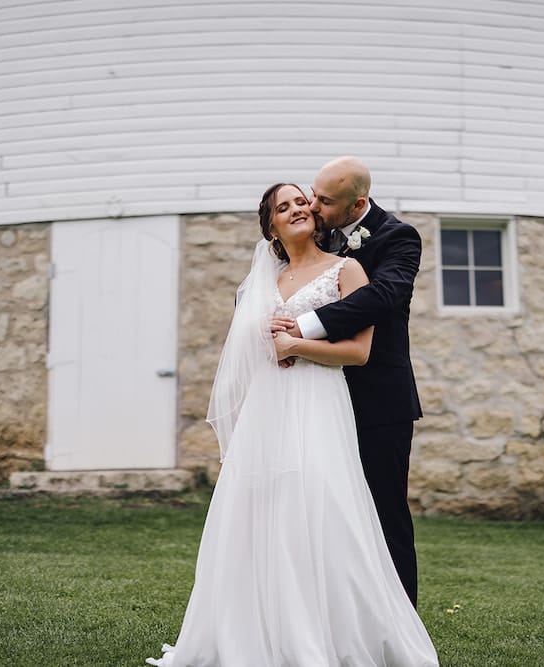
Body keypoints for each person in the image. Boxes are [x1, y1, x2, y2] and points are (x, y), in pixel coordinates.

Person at [147, 183, 437, 666]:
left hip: (319, 403)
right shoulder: (259, 284)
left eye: (303, 202)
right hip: (268, 409)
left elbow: (359, 352)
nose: (298, 208)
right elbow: (245, 356)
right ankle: (259, 630)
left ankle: (332, 631)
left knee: (325, 511)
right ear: (271, 226)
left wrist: (296, 345)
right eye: (285, 207)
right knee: (262, 514)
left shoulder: (349, 268)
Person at [271, 156, 423, 606]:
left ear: (357, 203)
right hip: (313, 399)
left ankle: (399, 627)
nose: (313, 206)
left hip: (377, 401)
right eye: (312, 196)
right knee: (324, 514)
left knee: (383, 513)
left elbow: (383, 296)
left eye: (324, 200)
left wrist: (304, 327)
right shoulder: (315, 231)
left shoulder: (398, 237)